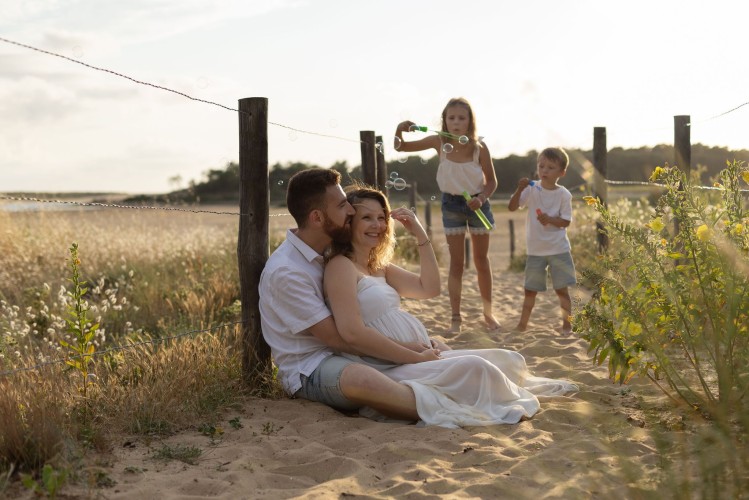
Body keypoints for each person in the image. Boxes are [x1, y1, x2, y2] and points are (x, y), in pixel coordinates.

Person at [324, 186, 578, 428]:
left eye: (381, 217)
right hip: (388, 365)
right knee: (476, 368)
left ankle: (501, 388)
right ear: (349, 222)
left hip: (418, 353)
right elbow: (353, 333)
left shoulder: (378, 266)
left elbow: (429, 288)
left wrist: (421, 235)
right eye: (367, 217)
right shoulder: (341, 266)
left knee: (510, 359)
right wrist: (414, 353)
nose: (377, 225)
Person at [258, 168, 442, 422]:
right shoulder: (288, 271)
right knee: (366, 379)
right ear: (317, 218)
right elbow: (339, 339)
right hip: (312, 367)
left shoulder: (330, 252)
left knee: (436, 367)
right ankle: (444, 407)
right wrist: (410, 349)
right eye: (343, 205)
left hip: (351, 353)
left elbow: (427, 288)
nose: (351, 212)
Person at [394, 97, 500, 334]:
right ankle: (455, 317)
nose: (456, 122)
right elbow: (400, 147)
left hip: (477, 204)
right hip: (451, 204)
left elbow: (492, 181)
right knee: (457, 263)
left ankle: (488, 314)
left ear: (470, 121)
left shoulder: (479, 148)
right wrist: (399, 130)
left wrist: (481, 198)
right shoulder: (438, 141)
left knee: (482, 261)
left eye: (461, 118)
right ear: (445, 120)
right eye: (451, 118)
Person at [508, 147, 576, 334]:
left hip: (559, 249)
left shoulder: (564, 194)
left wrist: (550, 220)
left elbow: (566, 221)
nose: (544, 170)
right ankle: (522, 325)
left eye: (550, 167)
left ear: (561, 172)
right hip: (535, 251)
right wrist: (519, 188)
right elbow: (513, 207)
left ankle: (567, 326)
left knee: (562, 290)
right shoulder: (531, 188)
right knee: (530, 291)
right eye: (541, 166)